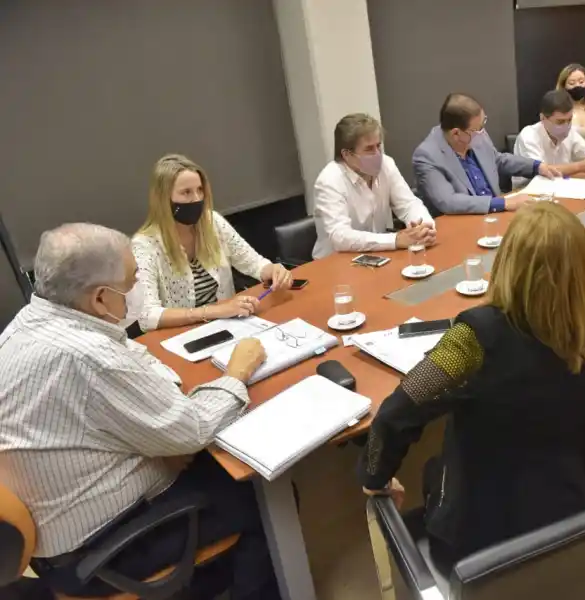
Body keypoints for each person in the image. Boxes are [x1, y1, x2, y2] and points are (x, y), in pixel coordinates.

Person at [0, 223, 279, 599]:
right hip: (98, 548)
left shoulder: (31, 322)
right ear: (100, 298)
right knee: (261, 494)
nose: (138, 291)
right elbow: (193, 429)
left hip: (52, 527)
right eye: (132, 282)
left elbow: (130, 354)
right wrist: (237, 372)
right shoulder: (88, 358)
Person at [358, 203, 585, 572]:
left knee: (434, 470)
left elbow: (398, 411)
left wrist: (375, 477)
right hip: (575, 517)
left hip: (478, 543)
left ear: (507, 263)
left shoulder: (476, 336)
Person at [132, 154, 292, 331]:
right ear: (163, 199)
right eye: (186, 192)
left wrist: (273, 270)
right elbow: (147, 317)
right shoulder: (145, 245)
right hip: (183, 335)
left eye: (200, 190)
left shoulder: (212, 221)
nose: (196, 199)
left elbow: (252, 262)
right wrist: (214, 311)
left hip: (231, 325)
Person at [412, 93, 562, 215]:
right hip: (463, 225)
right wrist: (503, 203)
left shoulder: (475, 134)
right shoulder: (427, 156)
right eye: (478, 129)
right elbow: (448, 201)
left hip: (497, 215)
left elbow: (498, 160)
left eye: (483, 124)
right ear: (456, 134)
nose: (482, 132)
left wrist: (537, 166)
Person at [313, 114, 436, 259]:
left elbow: (409, 204)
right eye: (369, 149)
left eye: (378, 146)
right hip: (336, 264)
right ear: (347, 154)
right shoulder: (329, 181)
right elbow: (340, 237)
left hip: (379, 256)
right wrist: (396, 240)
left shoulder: (386, 164)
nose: (378, 154)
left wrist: (424, 228)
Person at [513, 90, 585, 187]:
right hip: (528, 192)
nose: (566, 126)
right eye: (560, 122)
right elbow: (542, 171)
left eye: (569, 120)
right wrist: (579, 166)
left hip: (559, 187)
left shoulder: (570, 133)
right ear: (543, 118)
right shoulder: (529, 136)